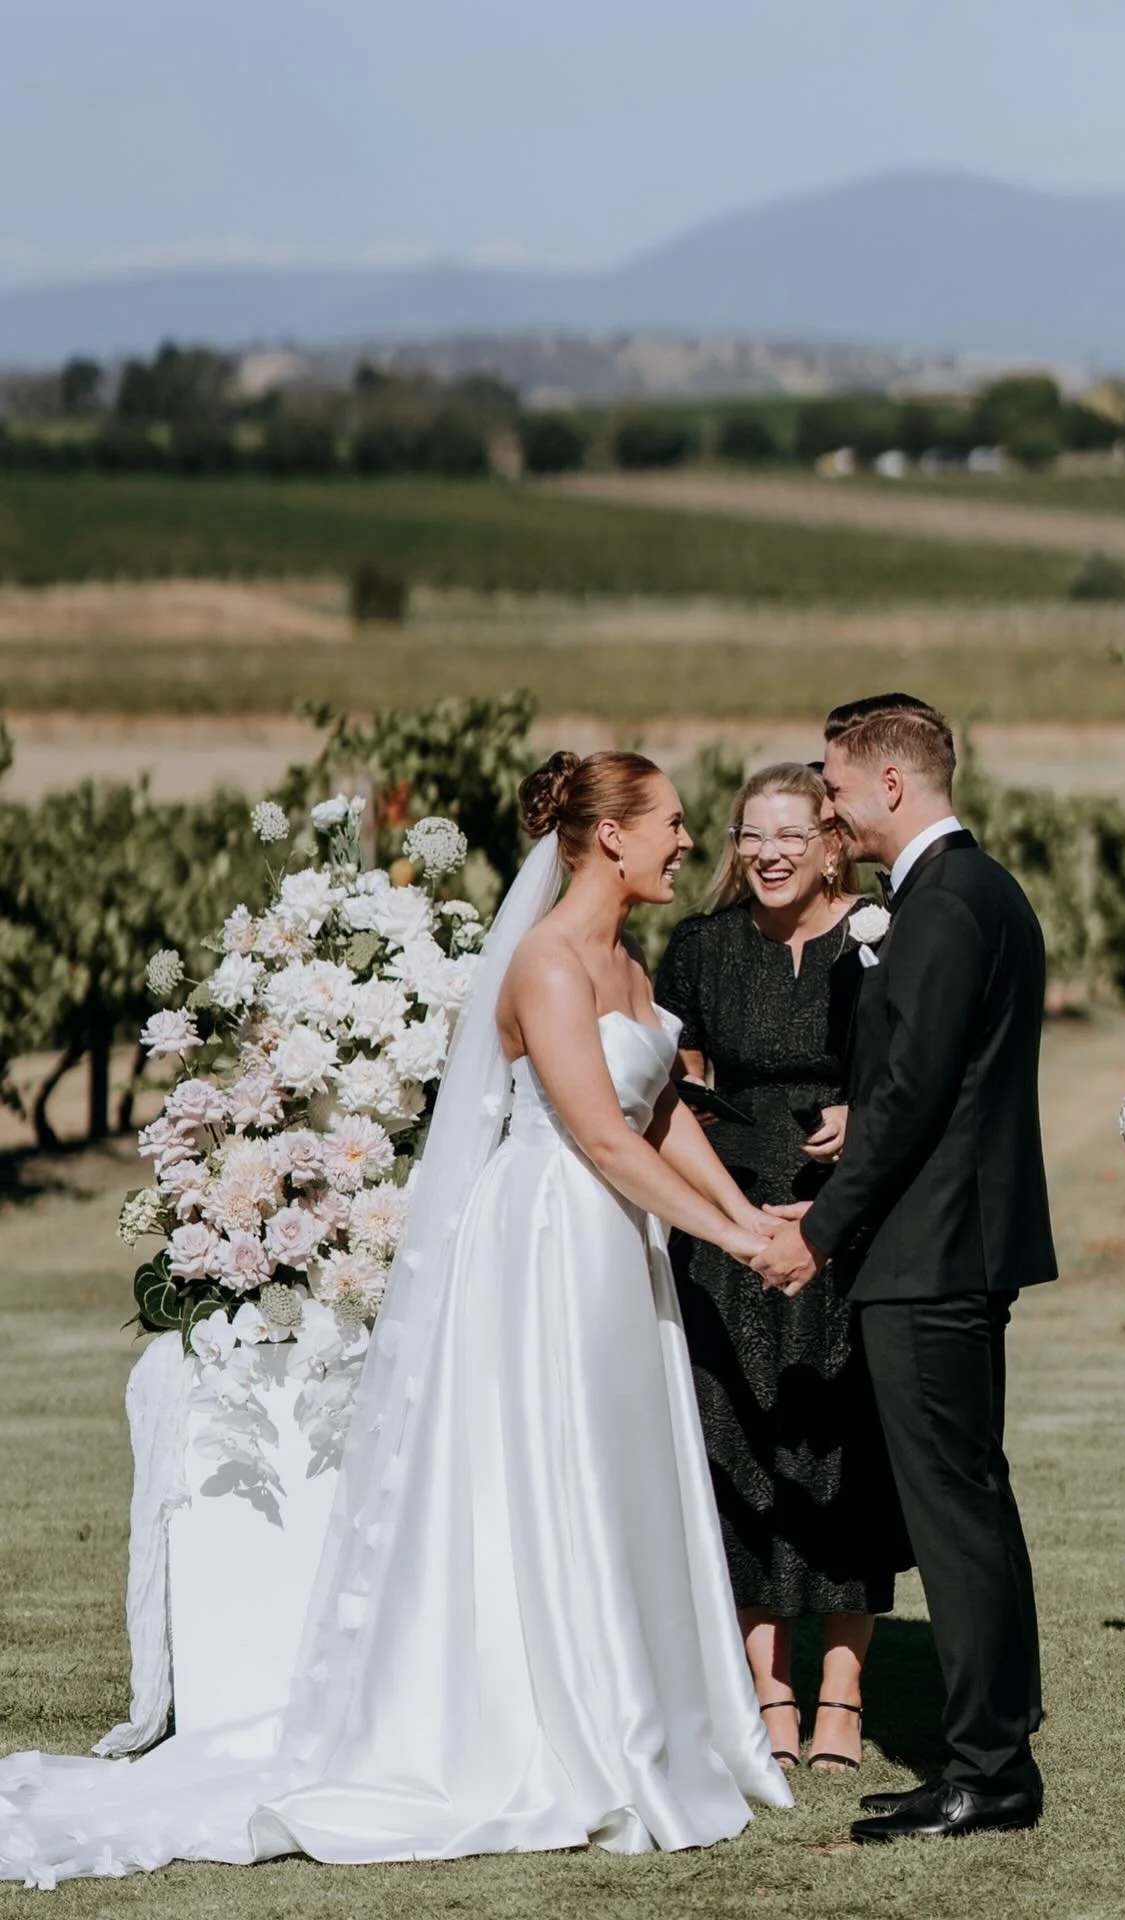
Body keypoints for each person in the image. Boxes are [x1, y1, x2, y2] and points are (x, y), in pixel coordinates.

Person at [0, 749, 792, 1887]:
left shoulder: (623, 956)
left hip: (623, 1247)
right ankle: (565, 1722)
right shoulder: (551, 966)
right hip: (553, 1239)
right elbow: (602, 1138)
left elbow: (661, 1111)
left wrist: (748, 1218)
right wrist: (737, 1242)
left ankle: (648, 1710)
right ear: (610, 835)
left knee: (620, 1466)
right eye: (672, 823)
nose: (687, 841)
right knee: (556, 1463)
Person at [754, 694, 1056, 1846]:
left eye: (832, 787)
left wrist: (820, 1229)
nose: (826, 808)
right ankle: (998, 1737)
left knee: (952, 1511)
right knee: (971, 1497)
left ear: (891, 784)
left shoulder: (940, 905)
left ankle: (988, 1770)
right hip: (952, 1243)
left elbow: (914, 1097)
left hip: (931, 1254)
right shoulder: (974, 893)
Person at [655, 763, 910, 1777]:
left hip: (852, 1227)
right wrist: (719, 1199)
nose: (765, 853)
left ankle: (843, 1694)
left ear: (831, 843)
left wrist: (870, 1121)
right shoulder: (701, 950)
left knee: (850, 1450)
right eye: (748, 834)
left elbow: (921, 1068)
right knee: (743, 1447)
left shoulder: (884, 935)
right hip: (731, 1227)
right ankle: (769, 1688)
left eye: (788, 836)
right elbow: (666, 1092)